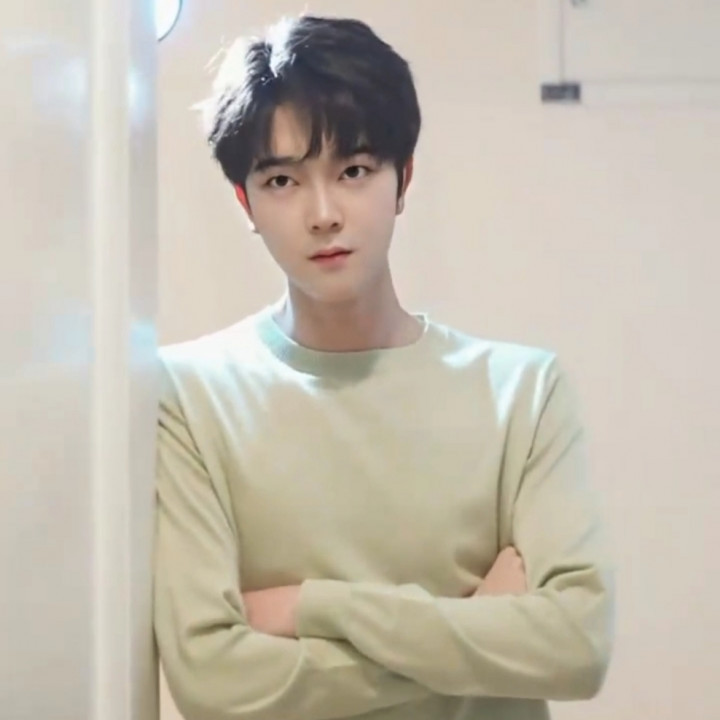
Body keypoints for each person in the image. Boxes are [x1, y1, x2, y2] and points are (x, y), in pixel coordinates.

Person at [153, 14, 615, 720]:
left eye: (354, 171)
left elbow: (576, 646)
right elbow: (213, 682)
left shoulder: (522, 393)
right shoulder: (186, 395)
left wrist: (314, 607)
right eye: (282, 180)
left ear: (403, 180)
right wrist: (475, 629)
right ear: (245, 201)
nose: (323, 213)